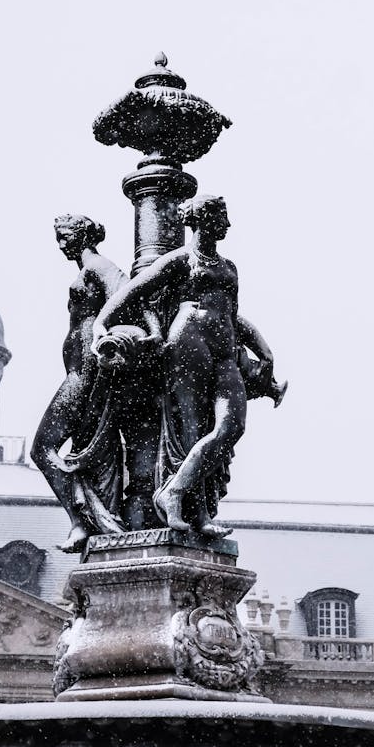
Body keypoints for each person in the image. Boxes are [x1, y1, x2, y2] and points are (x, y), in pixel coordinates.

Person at [92, 195, 246, 537]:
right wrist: (100, 326)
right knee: (191, 429)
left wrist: (254, 355)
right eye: (222, 218)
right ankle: (197, 512)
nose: (227, 225)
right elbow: (133, 291)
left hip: (223, 350)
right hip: (189, 340)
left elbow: (234, 316)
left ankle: (173, 490)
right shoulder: (180, 260)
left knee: (230, 426)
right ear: (202, 220)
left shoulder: (229, 266)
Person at [31, 213, 129, 552]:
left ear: (84, 234)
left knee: (42, 448)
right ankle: (89, 514)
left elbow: (124, 291)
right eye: (58, 236)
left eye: (67, 235)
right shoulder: (85, 271)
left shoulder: (98, 266)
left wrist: (104, 334)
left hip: (86, 369)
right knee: (79, 446)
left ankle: (81, 518)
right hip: (80, 367)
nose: (61, 243)